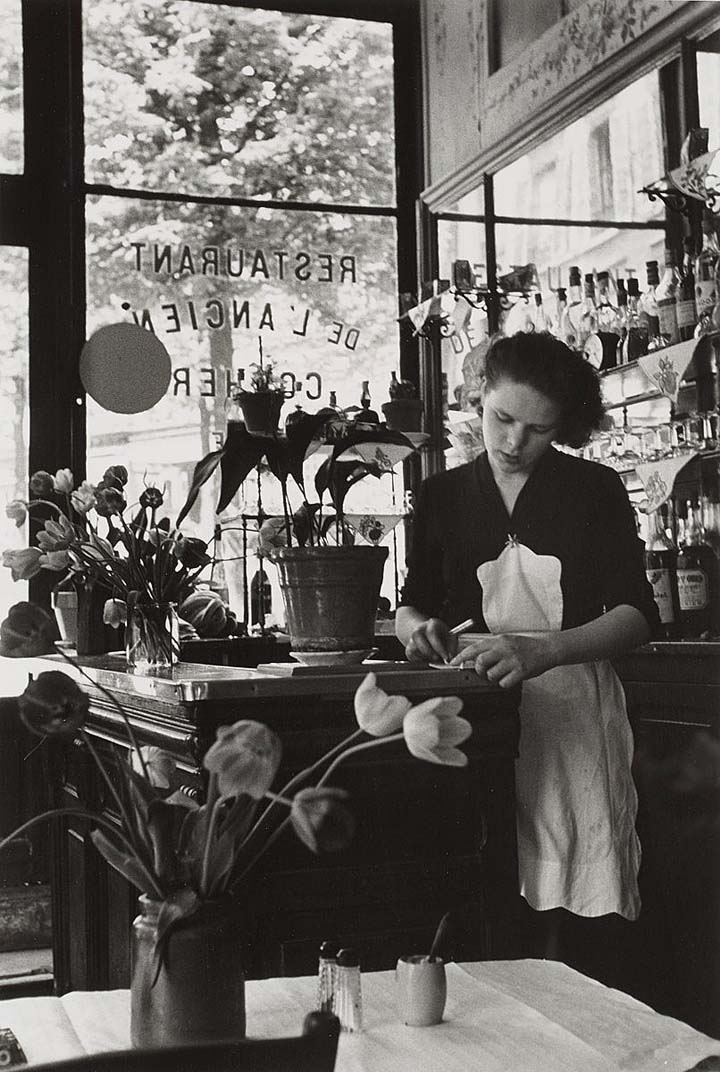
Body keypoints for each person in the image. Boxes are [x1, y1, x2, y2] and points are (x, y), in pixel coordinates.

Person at [396, 330, 659, 984]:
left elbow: (636, 614)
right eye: (501, 419)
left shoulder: (593, 490)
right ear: (478, 397)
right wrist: (419, 631)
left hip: (572, 720)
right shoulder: (441, 497)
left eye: (538, 430)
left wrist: (546, 650)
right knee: (488, 907)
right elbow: (411, 605)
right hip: (473, 722)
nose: (514, 443)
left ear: (562, 428)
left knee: (582, 924)